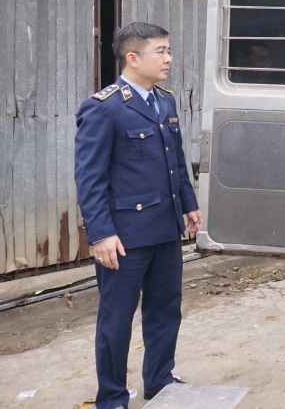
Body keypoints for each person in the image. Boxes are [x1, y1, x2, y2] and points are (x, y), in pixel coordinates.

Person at [74, 22, 203, 409]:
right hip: (125, 237)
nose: (169, 58)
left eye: (168, 50)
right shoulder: (104, 108)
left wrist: (189, 204)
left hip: (164, 229)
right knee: (116, 321)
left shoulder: (164, 101)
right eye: (160, 51)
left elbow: (174, 160)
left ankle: (160, 382)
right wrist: (100, 235)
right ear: (133, 58)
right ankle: (112, 397)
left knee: (165, 309)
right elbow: (90, 177)